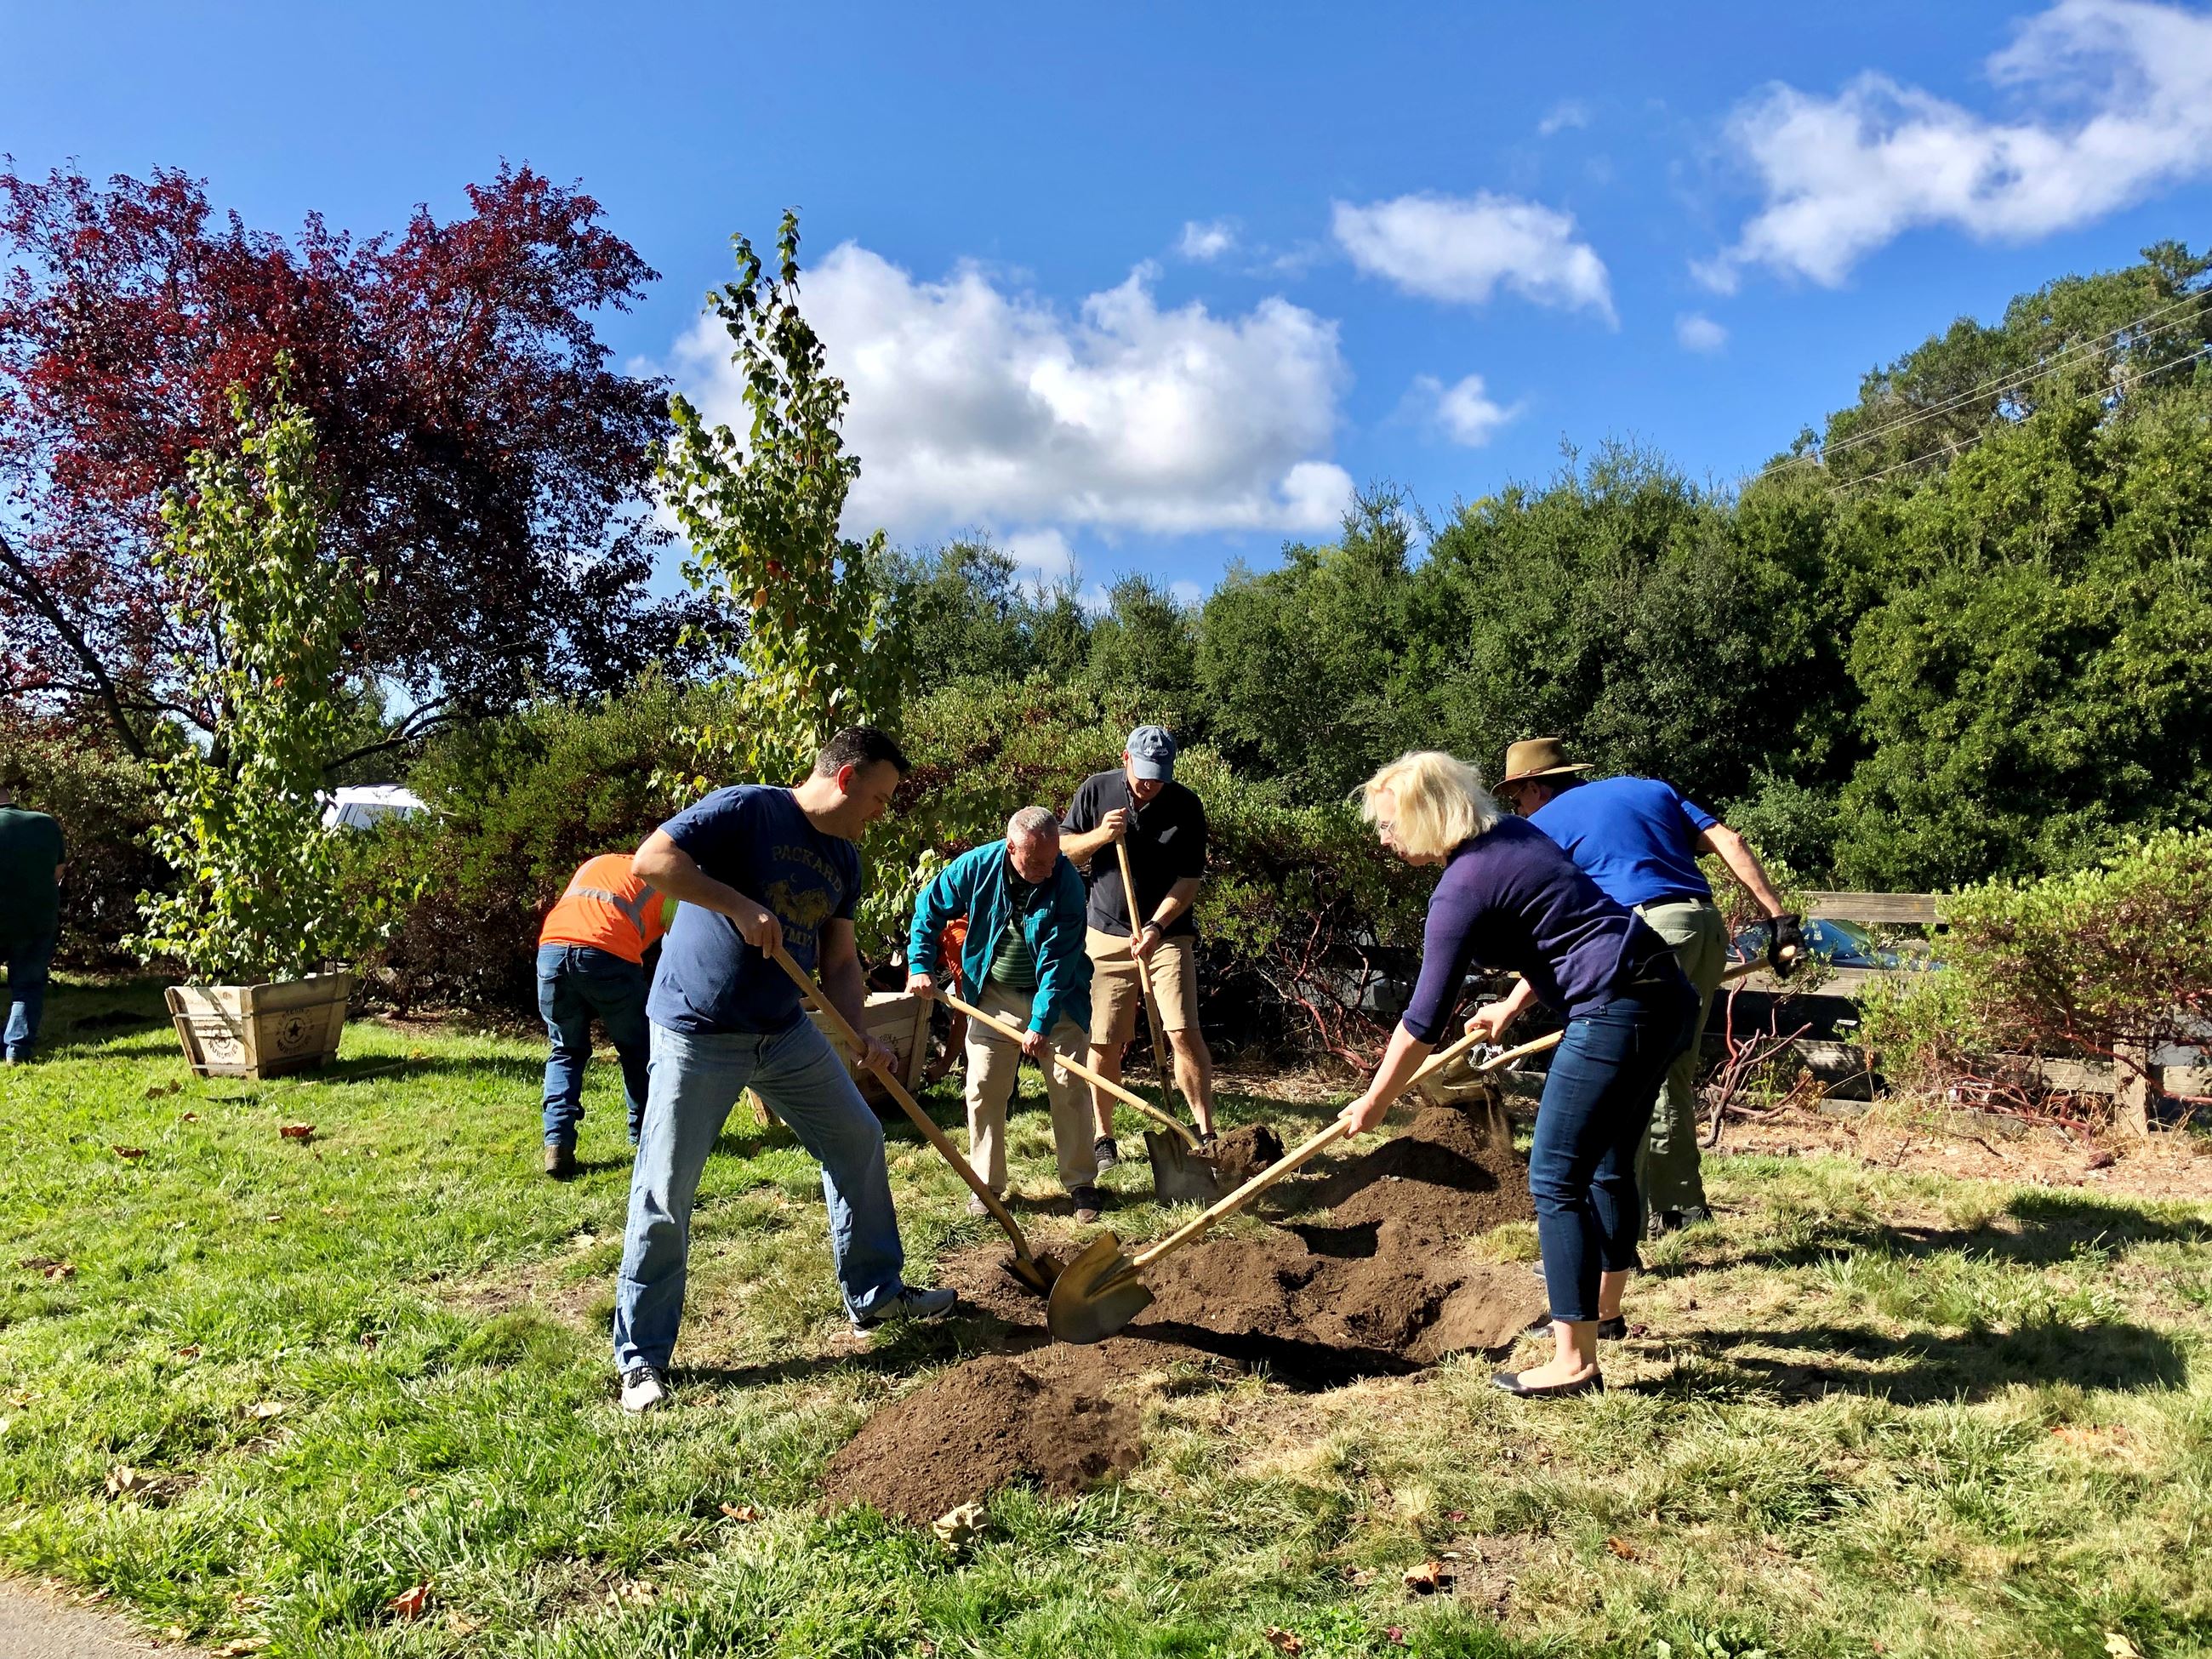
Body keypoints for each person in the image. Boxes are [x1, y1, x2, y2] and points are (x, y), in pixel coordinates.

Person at [609, 727, 955, 1414]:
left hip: (784, 1030)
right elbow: (651, 861)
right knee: (665, 1190)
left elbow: (843, 963)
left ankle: (876, 1294)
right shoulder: (750, 810)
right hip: (698, 1029)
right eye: (881, 798)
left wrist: (860, 1036)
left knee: (856, 1138)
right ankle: (642, 1358)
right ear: (848, 777)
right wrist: (737, 905)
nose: (881, 814)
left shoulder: (844, 860)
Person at [1338, 751, 1696, 1398]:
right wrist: (1508, 1006)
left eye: (1390, 825)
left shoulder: (1462, 886)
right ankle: (1604, 1313)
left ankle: (1574, 1362)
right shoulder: (1514, 836)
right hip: (1661, 993)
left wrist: (1372, 1102)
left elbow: (1422, 1020)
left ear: (1426, 818)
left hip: (1616, 1009)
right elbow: (1564, 927)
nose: (1384, 839)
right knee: (1610, 1159)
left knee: (1554, 1173)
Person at [1495, 737, 1804, 1234]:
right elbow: (1731, 840)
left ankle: (1614, 1229)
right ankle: (1681, 1207)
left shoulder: (1544, 827)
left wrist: (1510, 1005)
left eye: (1517, 797)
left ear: (1534, 787)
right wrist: (1778, 919)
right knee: (1670, 1070)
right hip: (1703, 927)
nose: (1518, 807)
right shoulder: (1650, 791)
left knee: (1621, 1083)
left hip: (1646, 934)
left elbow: (1562, 927)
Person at [906, 807, 1104, 1222]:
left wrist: (1041, 1023)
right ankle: (987, 1185)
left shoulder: (1065, 881)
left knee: (1069, 1088)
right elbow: (929, 907)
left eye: (1051, 860)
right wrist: (920, 965)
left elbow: (1059, 963)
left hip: (1059, 1000)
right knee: (982, 1087)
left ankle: (1082, 1183)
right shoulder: (978, 866)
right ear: (1011, 847)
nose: (1045, 870)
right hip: (995, 996)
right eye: (1035, 862)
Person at [1060, 725, 1217, 1172]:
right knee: (1104, 1038)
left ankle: (1205, 1132)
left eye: (1160, 775)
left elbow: (1188, 881)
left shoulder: (1186, 806)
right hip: (1105, 933)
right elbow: (1065, 849)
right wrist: (1101, 837)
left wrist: (1155, 926)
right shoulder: (1096, 790)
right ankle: (1103, 1137)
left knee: (1182, 1030)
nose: (1151, 783)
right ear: (1126, 759)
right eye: (1144, 773)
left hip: (1166, 932)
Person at [535, 853, 678, 1179]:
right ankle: (645, 1138)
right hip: (608, 950)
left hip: (553, 949)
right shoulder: (670, 882)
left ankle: (557, 1144)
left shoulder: (597, 862)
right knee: (638, 1048)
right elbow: (676, 945)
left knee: (565, 1050)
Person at [1, 774, 66, 1065]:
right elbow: (57, 872)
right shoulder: (45, 823)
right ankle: (17, 1049)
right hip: (36, 919)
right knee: (27, 985)